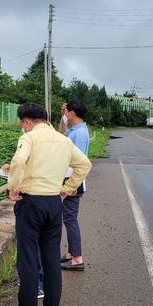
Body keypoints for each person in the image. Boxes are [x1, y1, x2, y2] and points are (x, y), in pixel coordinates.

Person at [1, 102, 91, 306]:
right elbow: (85, 165)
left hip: (31, 204)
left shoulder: (29, 138)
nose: (22, 128)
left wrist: (14, 186)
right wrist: (67, 189)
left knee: (28, 258)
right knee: (51, 259)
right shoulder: (63, 140)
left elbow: (20, 160)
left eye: (22, 124)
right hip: (53, 203)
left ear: (27, 122)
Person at [58, 101, 90, 271]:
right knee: (68, 218)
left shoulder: (79, 134)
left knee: (70, 219)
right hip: (71, 180)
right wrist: (63, 116)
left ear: (72, 113)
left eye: (66, 113)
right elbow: (61, 133)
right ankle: (71, 254)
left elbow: (77, 163)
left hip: (73, 181)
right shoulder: (77, 130)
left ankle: (77, 259)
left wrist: (69, 186)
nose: (65, 116)